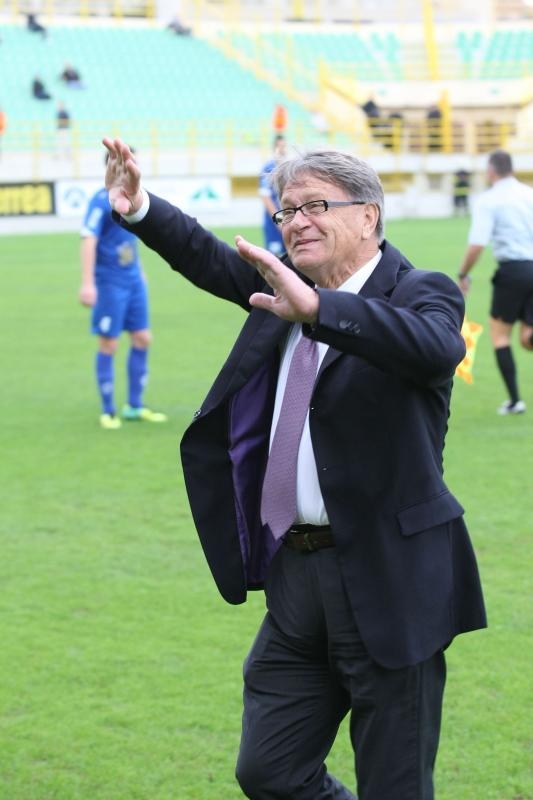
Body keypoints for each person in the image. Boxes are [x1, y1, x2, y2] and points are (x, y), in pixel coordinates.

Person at [103, 137, 487, 799]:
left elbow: (434, 348)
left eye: (316, 205)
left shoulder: (417, 291)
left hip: (389, 578)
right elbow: (208, 256)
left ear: (367, 215)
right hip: (297, 578)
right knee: (269, 771)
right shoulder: (285, 286)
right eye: (286, 211)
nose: (296, 221)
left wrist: (319, 311)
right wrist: (138, 207)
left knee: (394, 784)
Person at [79, 153, 168, 430]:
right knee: (110, 343)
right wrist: (88, 283)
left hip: (132, 282)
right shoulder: (99, 200)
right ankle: (108, 410)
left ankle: (134, 406)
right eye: (127, 163)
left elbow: (131, 238)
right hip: (109, 284)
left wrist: (140, 271)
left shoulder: (133, 199)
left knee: (142, 338)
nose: (133, 168)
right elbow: (88, 239)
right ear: (112, 167)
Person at [458, 149, 533, 415]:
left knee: (501, 336)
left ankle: (515, 401)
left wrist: (463, 272)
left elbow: (478, 242)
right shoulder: (529, 193)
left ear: (491, 171)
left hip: (512, 271)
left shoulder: (489, 200)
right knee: (527, 338)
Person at [258, 134, 287, 257]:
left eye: (284, 146)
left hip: (288, 220)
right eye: (279, 146)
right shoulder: (269, 168)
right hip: (274, 222)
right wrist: (280, 221)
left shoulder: (289, 167)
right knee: (274, 258)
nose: (282, 149)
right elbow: (266, 198)